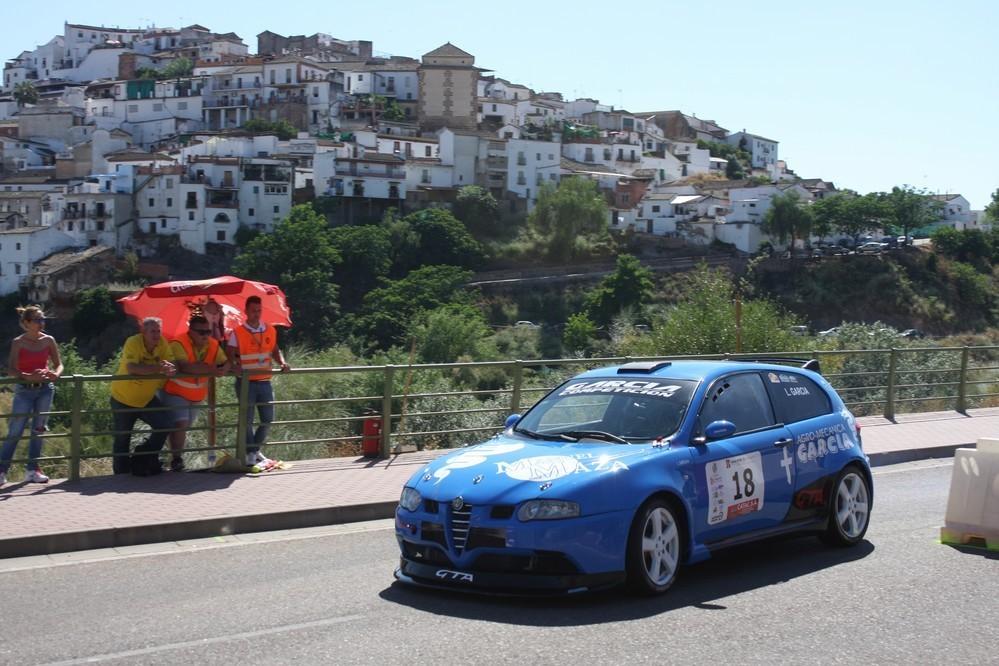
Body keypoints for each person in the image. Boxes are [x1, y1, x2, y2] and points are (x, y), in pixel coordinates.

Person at [0, 306, 63, 485]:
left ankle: (32, 470)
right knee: (15, 431)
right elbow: (11, 369)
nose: (41, 323)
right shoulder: (18, 342)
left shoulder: (49, 340)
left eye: (42, 319)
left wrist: (55, 375)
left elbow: (59, 365)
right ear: (26, 323)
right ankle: (2, 471)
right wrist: (28, 376)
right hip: (24, 390)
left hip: (45, 389)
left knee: (39, 430)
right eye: (37, 320)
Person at [158, 315, 229, 472]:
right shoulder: (178, 343)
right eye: (201, 332)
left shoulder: (213, 344)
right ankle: (176, 460)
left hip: (196, 395)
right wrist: (212, 369)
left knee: (182, 427)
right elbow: (186, 367)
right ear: (191, 331)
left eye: (208, 331)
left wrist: (224, 368)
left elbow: (224, 361)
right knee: (181, 425)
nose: (205, 335)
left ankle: (171, 457)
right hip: (175, 392)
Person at [227, 296, 289, 467]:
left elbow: (275, 350)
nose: (256, 314)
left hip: (264, 380)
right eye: (253, 310)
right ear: (246, 311)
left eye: (259, 310)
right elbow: (229, 351)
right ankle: (251, 453)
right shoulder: (238, 332)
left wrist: (282, 363)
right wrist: (234, 366)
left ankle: (253, 450)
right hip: (246, 382)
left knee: (268, 419)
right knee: (247, 420)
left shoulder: (269, 329)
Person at [109, 317, 177, 475]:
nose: (156, 335)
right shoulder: (133, 342)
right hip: (123, 399)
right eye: (153, 331)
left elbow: (171, 363)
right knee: (122, 438)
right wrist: (159, 368)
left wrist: (170, 368)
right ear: (143, 332)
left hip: (146, 399)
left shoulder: (162, 344)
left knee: (165, 425)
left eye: (158, 331)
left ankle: (143, 456)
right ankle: (121, 475)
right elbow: (132, 368)